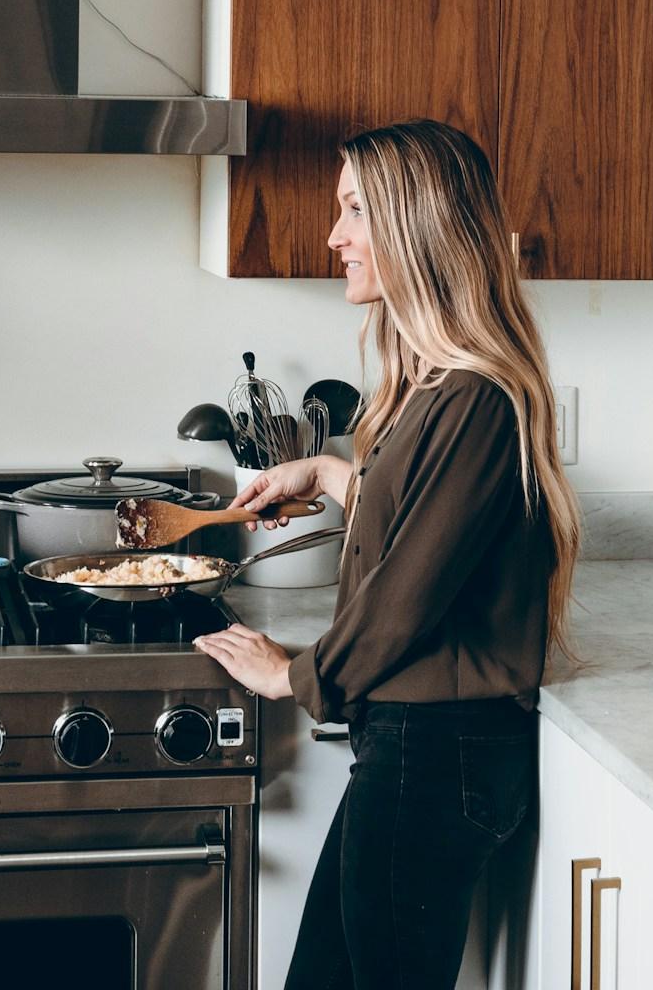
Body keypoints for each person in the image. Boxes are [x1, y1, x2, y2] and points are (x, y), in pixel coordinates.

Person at [194, 118, 581, 990]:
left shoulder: (475, 397)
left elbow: (407, 595)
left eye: (356, 210)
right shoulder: (434, 388)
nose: (335, 236)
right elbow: (428, 524)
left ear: (420, 223)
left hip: (435, 757)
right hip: (415, 753)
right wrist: (331, 472)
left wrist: (295, 675)